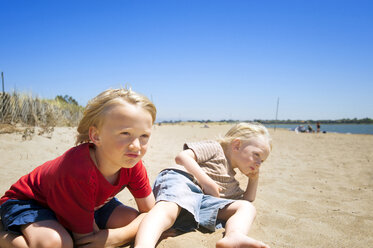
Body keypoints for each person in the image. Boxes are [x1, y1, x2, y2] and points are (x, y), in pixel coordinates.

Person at [0, 88, 157, 248]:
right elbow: (87, 240)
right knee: (57, 243)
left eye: (144, 136)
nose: (136, 146)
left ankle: (66, 226)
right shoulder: (78, 172)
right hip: (31, 202)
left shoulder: (132, 163)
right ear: (96, 136)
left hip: (90, 204)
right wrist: (105, 238)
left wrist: (117, 236)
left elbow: (150, 212)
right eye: (125, 133)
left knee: (132, 218)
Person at [135, 122, 272, 248]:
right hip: (184, 181)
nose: (259, 163)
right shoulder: (215, 149)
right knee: (168, 208)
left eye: (263, 161)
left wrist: (254, 179)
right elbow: (182, 157)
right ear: (237, 145)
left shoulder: (232, 183)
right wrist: (206, 182)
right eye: (256, 155)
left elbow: (247, 200)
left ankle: (234, 235)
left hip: (198, 203)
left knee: (247, 208)